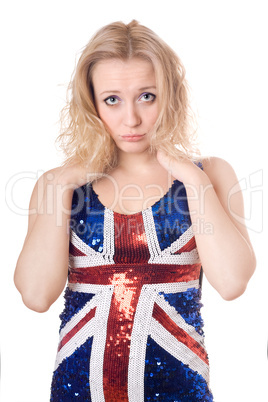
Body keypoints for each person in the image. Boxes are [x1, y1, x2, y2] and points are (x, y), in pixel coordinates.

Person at [14, 20, 256, 402]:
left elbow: (232, 283)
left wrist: (191, 179)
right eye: (112, 99)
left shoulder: (208, 174)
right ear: (91, 102)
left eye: (147, 96)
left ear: (170, 95)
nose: (131, 119)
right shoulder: (59, 184)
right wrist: (61, 185)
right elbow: (36, 295)